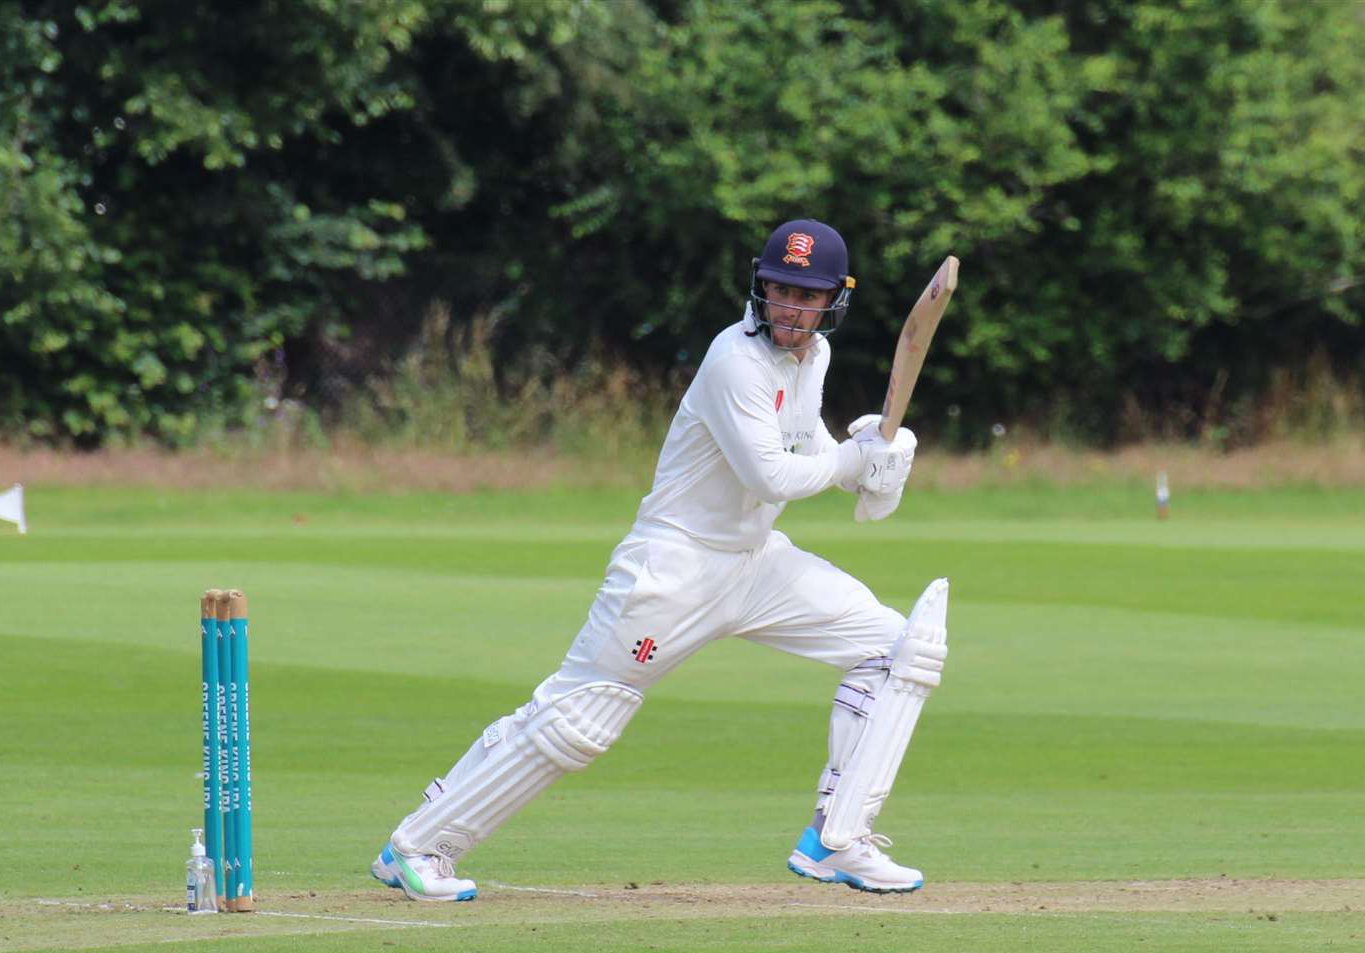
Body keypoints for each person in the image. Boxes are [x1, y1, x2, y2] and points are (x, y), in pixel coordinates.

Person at [371, 218, 948, 901]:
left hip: (755, 562)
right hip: (672, 570)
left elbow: (802, 449)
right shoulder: (733, 359)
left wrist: (866, 463)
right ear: (760, 288)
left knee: (895, 649)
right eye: (780, 290)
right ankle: (416, 846)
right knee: (578, 721)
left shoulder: (811, 357)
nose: (792, 309)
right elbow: (770, 476)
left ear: (831, 301)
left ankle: (836, 838)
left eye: (807, 295)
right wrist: (849, 463)